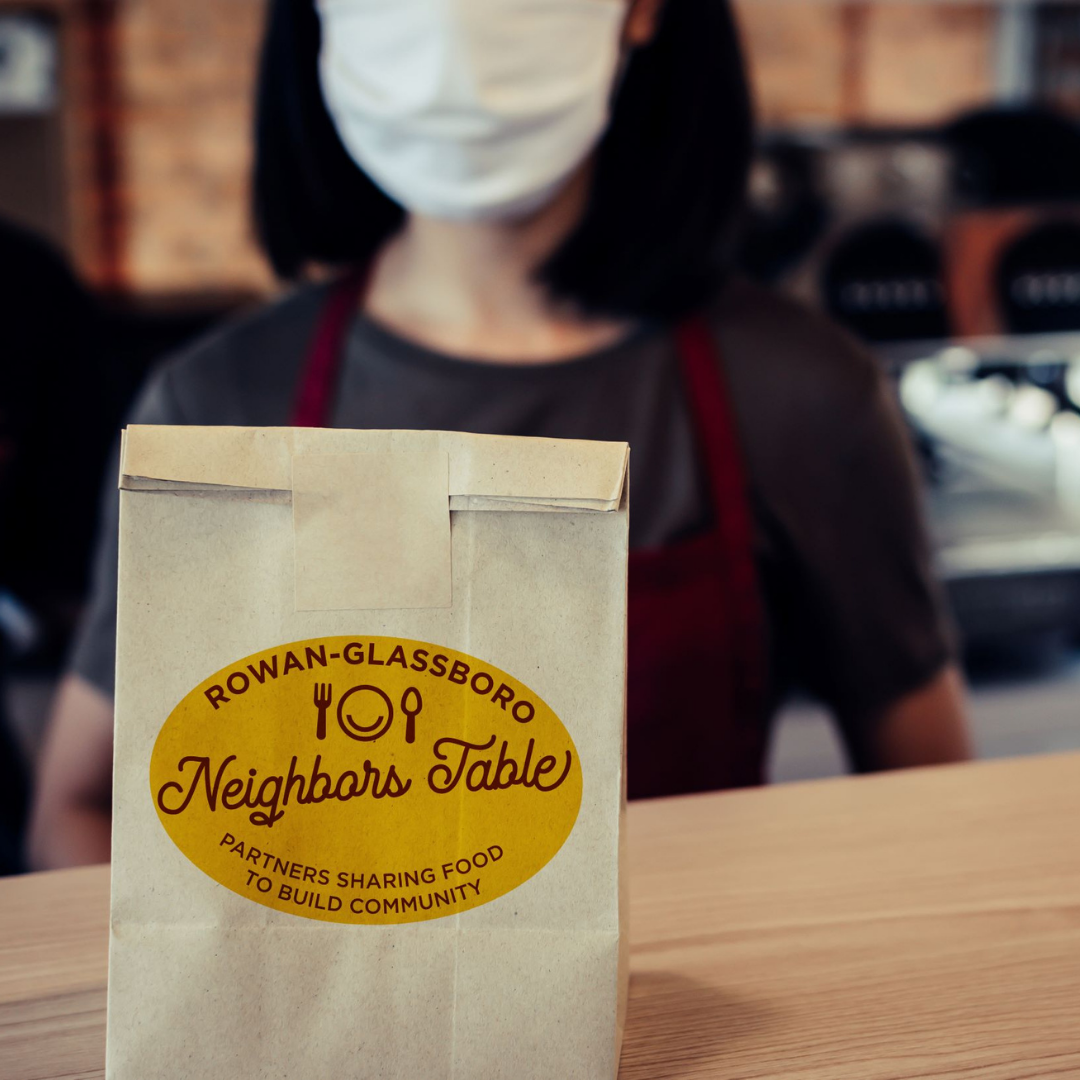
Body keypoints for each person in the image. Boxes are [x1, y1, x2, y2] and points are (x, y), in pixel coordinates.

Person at [28, 0, 970, 869]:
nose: (451, 26)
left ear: (643, 11)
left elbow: (934, 810)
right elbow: (78, 807)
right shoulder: (216, 402)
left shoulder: (798, 394)